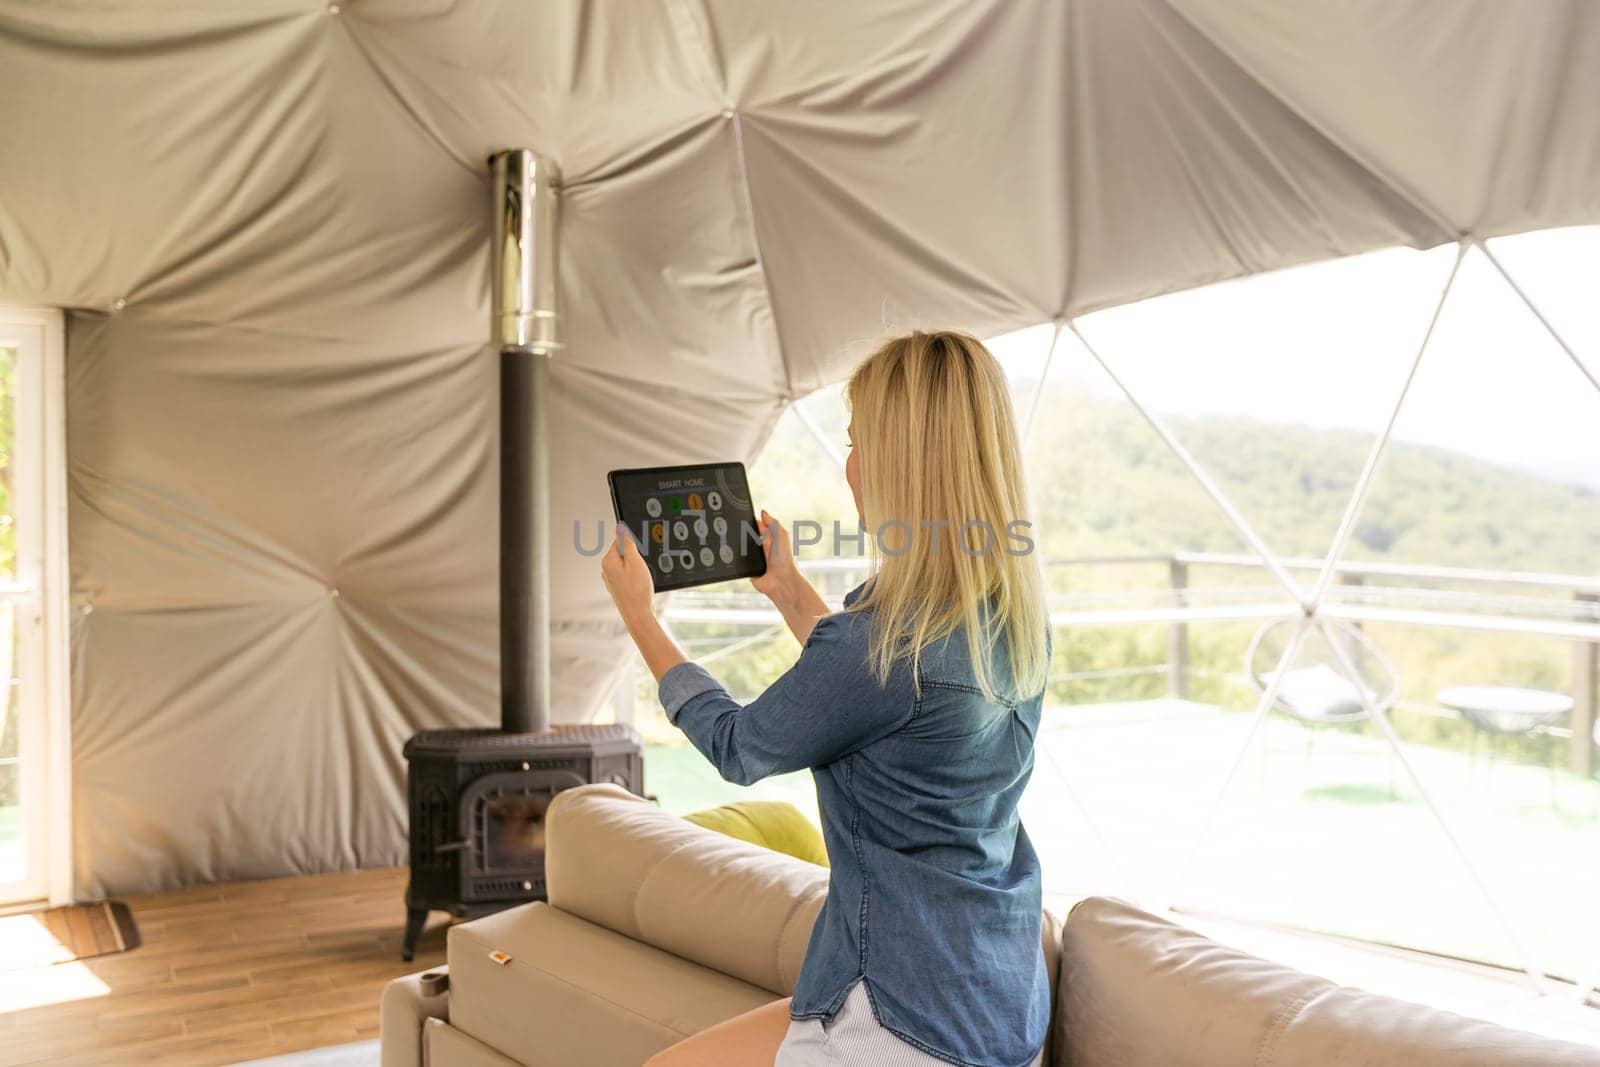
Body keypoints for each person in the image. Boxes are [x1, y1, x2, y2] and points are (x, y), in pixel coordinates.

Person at [600, 330, 1051, 1067]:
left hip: (899, 1020)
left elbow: (739, 746)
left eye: (859, 442)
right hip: (999, 1001)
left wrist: (641, 618)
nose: (851, 465)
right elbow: (884, 693)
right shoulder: (1016, 623)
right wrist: (787, 589)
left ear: (902, 463)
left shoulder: (877, 649)